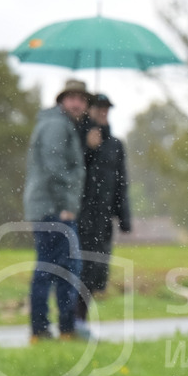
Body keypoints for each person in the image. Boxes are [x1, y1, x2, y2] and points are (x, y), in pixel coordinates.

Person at [23, 78, 89, 343]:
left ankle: (56, 328)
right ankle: (56, 329)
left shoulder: (62, 126)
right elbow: (55, 168)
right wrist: (66, 206)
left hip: (49, 208)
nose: (77, 103)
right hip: (53, 209)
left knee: (55, 267)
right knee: (58, 269)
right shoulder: (56, 125)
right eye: (72, 98)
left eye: (82, 99)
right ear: (61, 101)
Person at [75, 93, 131, 332]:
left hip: (103, 220)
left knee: (97, 272)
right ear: (89, 110)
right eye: (98, 108)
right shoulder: (78, 139)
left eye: (106, 108)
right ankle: (74, 322)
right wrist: (88, 149)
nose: (103, 112)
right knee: (82, 270)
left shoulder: (116, 145)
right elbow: (72, 171)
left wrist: (124, 216)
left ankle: (81, 321)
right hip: (81, 216)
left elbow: (120, 183)